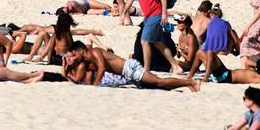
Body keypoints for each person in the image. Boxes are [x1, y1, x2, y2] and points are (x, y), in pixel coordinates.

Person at [63, 42, 196, 91]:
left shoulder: (95, 52)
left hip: (129, 68)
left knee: (158, 81)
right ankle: (187, 85)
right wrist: (67, 65)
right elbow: (77, 76)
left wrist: (95, 87)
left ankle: (190, 82)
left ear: (80, 50)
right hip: (127, 73)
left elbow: (102, 68)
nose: (74, 58)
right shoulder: (87, 61)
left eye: (74, 55)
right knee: (156, 85)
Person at [128, 0, 179, 73]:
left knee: (144, 41)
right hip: (148, 16)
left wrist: (164, 14)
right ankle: (176, 66)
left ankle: (146, 70)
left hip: (156, 14)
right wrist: (124, 11)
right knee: (159, 43)